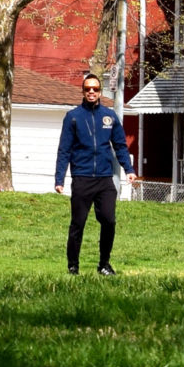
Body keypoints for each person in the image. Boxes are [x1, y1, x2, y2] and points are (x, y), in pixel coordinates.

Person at [55, 72, 133, 275]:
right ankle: (73, 266)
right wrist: (59, 179)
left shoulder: (109, 116)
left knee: (109, 220)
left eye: (95, 89)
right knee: (78, 223)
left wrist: (129, 170)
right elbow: (64, 150)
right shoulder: (73, 117)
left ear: (100, 92)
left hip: (105, 179)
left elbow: (120, 146)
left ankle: (104, 264)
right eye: (88, 89)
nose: (91, 92)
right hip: (82, 178)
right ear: (83, 91)